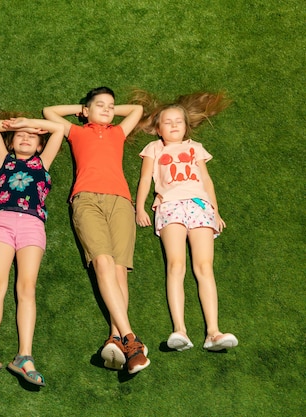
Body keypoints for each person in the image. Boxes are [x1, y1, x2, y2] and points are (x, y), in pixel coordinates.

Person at [43, 87, 150, 374]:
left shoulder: (117, 132)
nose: (107, 109)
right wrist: (81, 110)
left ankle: (116, 338)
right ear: (85, 110)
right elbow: (50, 112)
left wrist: (107, 111)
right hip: (86, 197)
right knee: (101, 261)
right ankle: (132, 340)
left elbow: (137, 111)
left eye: (111, 106)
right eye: (99, 105)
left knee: (119, 270)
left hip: (121, 201)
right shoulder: (77, 132)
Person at [0, 117, 64, 387]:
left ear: (41, 145)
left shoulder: (43, 162)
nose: (26, 138)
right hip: (2, 221)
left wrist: (28, 122)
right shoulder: (4, 160)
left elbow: (60, 129)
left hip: (32, 224)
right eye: (20, 135)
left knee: (26, 288)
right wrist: (15, 125)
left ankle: (24, 356)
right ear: (11, 141)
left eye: (32, 136)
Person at [133, 90, 238, 352]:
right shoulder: (154, 148)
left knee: (204, 267)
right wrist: (140, 208)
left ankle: (213, 331)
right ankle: (179, 329)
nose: (173, 125)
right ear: (158, 128)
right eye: (167, 122)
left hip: (199, 206)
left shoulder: (195, 148)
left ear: (186, 126)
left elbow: (206, 180)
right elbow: (146, 179)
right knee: (176, 265)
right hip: (169, 207)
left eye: (178, 121)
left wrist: (215, 210)